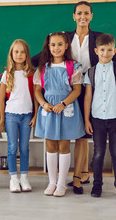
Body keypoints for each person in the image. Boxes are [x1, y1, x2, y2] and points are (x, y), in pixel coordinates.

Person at [32, 1, 116, 194]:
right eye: (79, 13)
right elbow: (41, 56)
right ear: (73, 16)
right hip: (67, 88)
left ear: (91, 16)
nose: (82, 16)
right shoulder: (64, 37)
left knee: (83, 135)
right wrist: (23, 64)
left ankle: (78, 176)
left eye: (86, 13)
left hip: (89, 89)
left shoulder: (99, 38)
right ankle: (64, 178)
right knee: (67, 136)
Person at [34, 32, 86, 197]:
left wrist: (63, 104)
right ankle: (52, 181)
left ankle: (62, 183)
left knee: (64, 146)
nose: (56, 48)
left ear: (66, 46)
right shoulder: (43, 68)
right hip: (48, 109)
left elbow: (77, 90)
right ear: (48, 47)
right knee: (50, 146)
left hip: (66, 109)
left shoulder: (73, 67)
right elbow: (37, 90)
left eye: (59, 44)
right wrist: (43, 104)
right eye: (53, 45)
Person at [83, 33, 116, 199]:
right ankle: (97, 185)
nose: (105, 53)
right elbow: (88, 97)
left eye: (109, 50)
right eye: (102, 50)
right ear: (96, 50)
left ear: (114, 50)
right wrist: (86, 119)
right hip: (97, 119)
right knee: (98, 153)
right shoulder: (90, 72)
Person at [0, 39, 37, 193]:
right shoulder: (6, 74)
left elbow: (36, 97)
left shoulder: (32, 74)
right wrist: (2, 119)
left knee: (25, 148)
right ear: (11, 54)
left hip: (27, 116)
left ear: (27, 54)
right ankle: (14, 178)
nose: (19, 54)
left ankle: (24, 178)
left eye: (22, 52)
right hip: (11, 116)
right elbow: (1, 99)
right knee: (12, 147)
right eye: (16, 51)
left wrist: (35, 116)